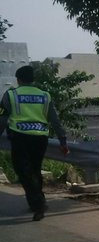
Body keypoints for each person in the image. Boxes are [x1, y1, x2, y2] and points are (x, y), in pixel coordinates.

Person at [0, 65, 69, 221]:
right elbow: (55, 121)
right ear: (33, 80)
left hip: (20, 136)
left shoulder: (11, 95)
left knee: (22, 170)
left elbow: (2, 120)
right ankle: (38, 201)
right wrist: (63, 141)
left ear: (18, 79)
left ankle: (38, 204)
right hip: (40, 138)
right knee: (35, 169)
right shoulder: (45, 95)